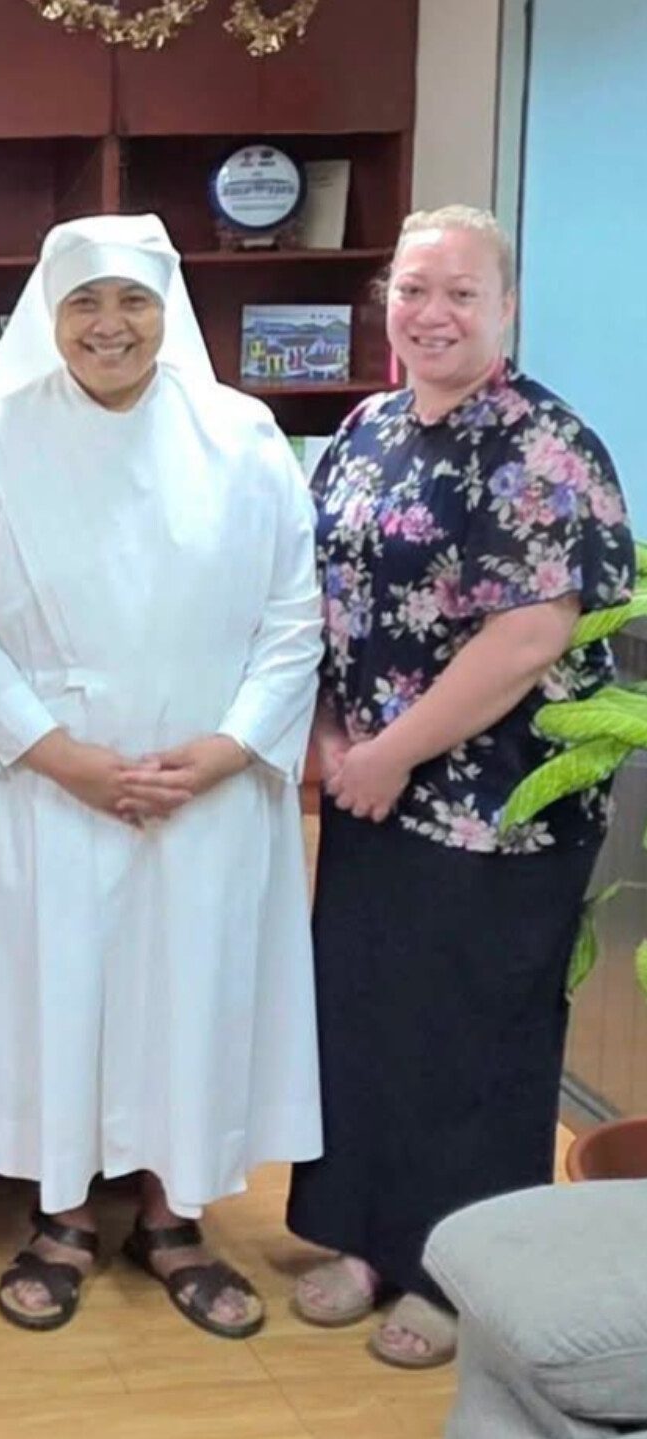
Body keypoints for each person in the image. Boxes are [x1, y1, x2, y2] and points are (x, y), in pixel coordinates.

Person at [0, 214, 325, 1341]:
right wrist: (63, 756)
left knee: (187, 994)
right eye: (85, 303)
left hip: (205, 786)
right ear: (49, 316)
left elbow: (294, 618)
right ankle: (59, 1215)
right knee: (57, 992)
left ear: (168, 306)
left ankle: (173, 1216)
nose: (110, 326)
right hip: (47, 782)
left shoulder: (241, 433)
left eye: (133, 300)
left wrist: (228, 748)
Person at [288, 204, 633, 1370]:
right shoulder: (366, 429)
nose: (431, 313)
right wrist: (331, 734)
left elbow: (529, 633)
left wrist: (390, 750)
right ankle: (363, 1237)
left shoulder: (546, 444)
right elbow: (321, 598)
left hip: (498, 807)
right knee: (367, 1017)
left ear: (506, 307)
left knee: (473, 1041)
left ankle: (456, 1272)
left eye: (460, 292)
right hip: (367, 789)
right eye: (412, 289)